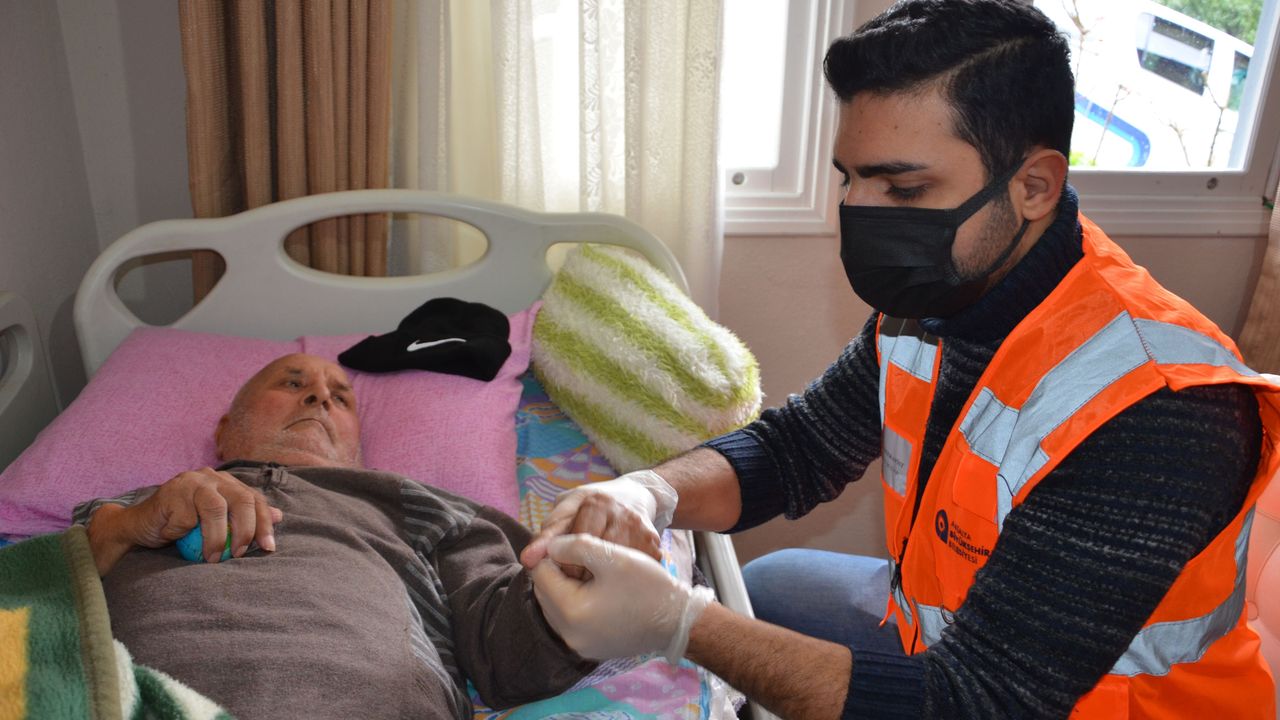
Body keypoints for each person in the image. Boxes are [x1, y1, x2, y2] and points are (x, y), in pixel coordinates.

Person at [520, 1, 1280, 718]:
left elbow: (974, 702)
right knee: (776, 583)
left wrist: (679, 624)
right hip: (961, 647)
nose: (859, 215)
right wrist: (648, 491)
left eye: (905, 189)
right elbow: (798, 449)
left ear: (1034, 186)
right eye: (850, 178)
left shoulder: (1161, 412)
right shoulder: (940, 298)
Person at [76, 353, 592, 720]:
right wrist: (126, 526)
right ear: (225, 429)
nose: (320, 396)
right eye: (291, 383)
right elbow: (41, 598)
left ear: (357, 446)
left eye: (340, 398)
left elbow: (513, 661)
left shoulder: (423, 507)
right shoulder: (139, 506)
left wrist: (577, 571)